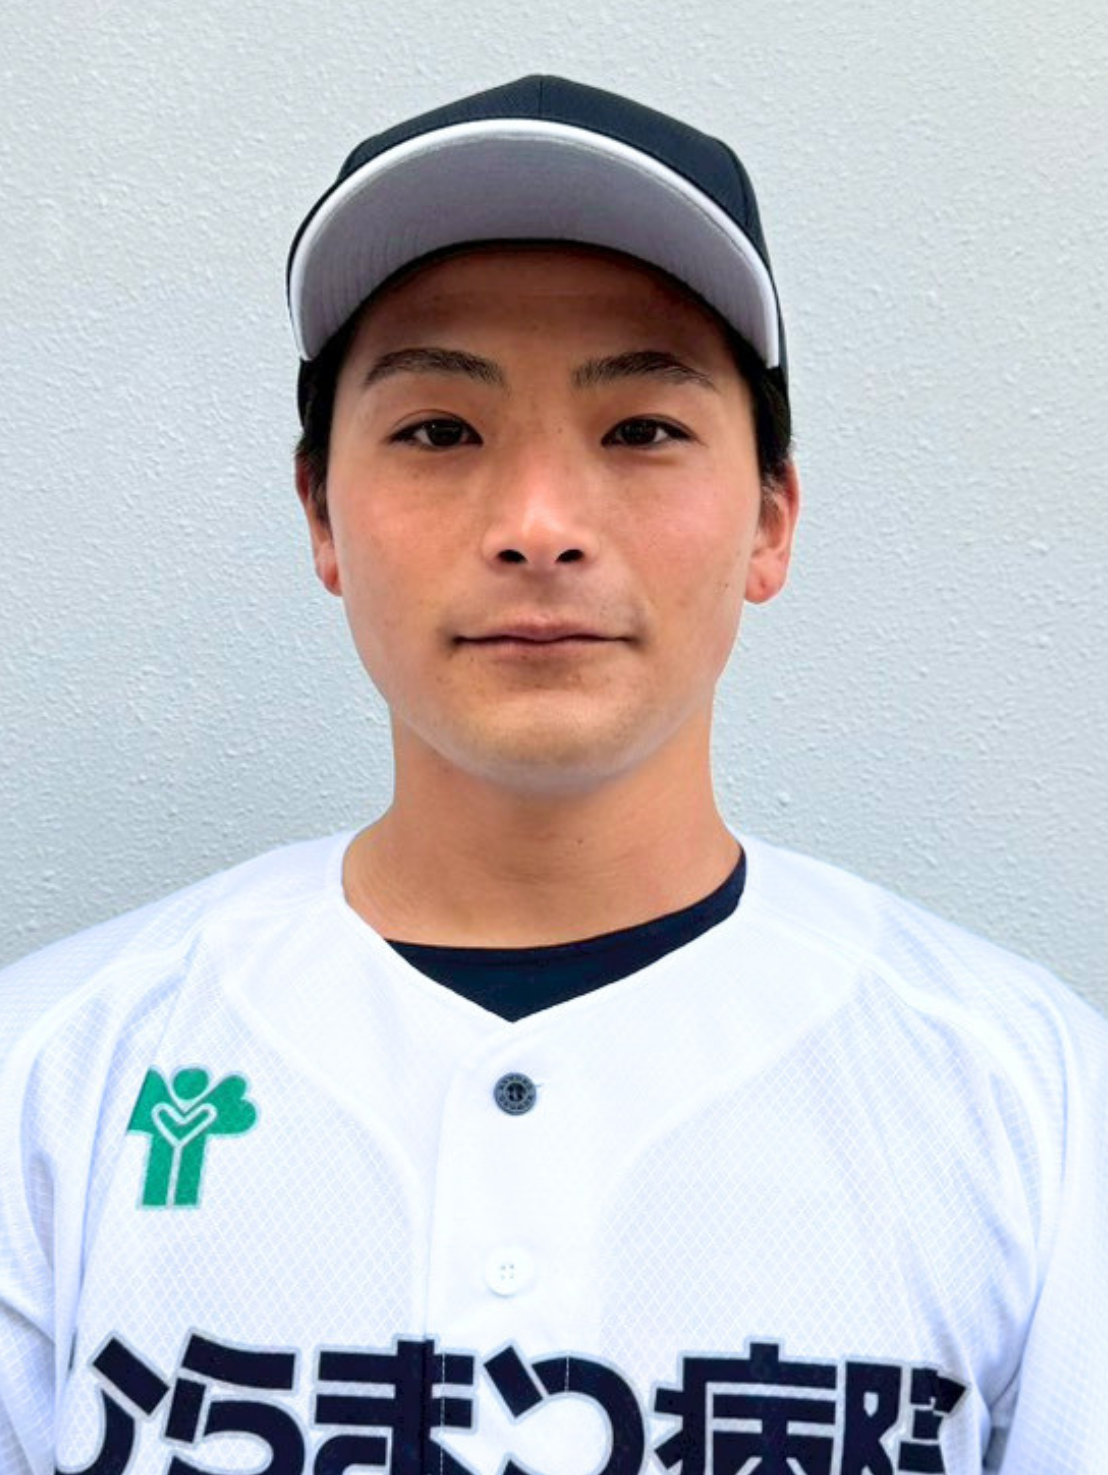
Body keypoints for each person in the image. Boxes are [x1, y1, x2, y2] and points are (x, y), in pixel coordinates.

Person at [1, 74, 1104, 1475]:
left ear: (771, 519)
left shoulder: (1029, 1098)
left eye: (641, 429)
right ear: (321, 513)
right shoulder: (51, 1077)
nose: (538, 524)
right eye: (439, 431)